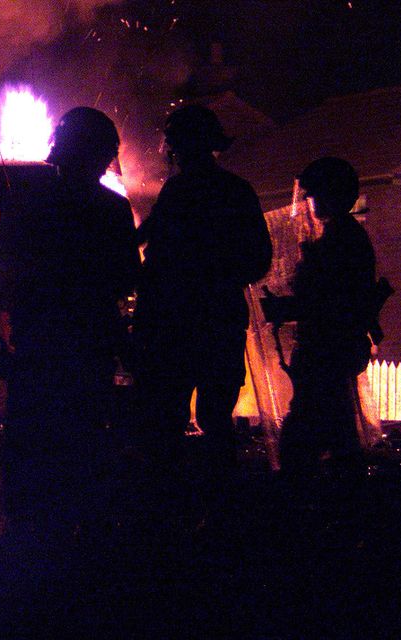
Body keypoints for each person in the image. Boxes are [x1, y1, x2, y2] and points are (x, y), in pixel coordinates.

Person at [0, 107, 141, 541]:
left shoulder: (28, 206)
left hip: (38, 344)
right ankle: (84, 536)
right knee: (86, 439)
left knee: (33, 440)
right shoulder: (112, 210)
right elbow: (127, 276)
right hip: (91, 343)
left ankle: (28, 540)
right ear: (104, 154)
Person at [132, 105, 272, 504]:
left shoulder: (179, 192)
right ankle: (222, 509)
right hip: (219, 323)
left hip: (173, 324)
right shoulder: (237, 192)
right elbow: (259, 259)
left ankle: (170, 511)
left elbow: (148, 243)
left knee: (167, 419)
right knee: (215, 419)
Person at [263, 157, 378, 478]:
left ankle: (314, 510)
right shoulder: (344, 237)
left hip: (325, 351)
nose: (308, 202)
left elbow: (330, 303)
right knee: (338, 432)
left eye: (312, 195)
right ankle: (346, 504)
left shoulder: (338, 241)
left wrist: (286, 309)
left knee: (301, 440)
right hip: (332, 351)